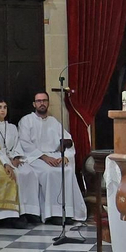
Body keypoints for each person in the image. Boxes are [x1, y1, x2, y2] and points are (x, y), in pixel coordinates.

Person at [17, 92, 87, 224]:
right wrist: (44, 157)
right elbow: (25, 143)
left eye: (44, 100)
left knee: (67, 171)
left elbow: (67, 140)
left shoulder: (54, 122)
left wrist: (65, 157)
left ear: (48, 103)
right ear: (34, 104)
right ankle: (52, 214)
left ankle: (67, 212)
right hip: (35, 158)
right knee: (49, 172)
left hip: (54, 156)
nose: (42, 103)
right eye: (39, 101)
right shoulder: (26, 121)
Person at [0, 99, 33, 220]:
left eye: (5, 107)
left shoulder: (12, 127)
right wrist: (5, 161)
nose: (2, 110)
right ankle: (18, 212)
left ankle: (30, 210)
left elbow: (17, 144)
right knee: (15, 175)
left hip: (13, 157)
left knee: (28, 172)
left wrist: (16, 157)